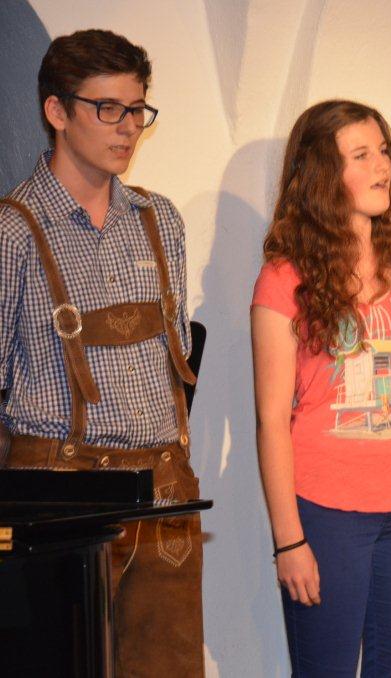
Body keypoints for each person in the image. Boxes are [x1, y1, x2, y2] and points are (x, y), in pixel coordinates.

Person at [0, 29, 204, 676]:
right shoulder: (11, 232)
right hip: (58, 497)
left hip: (164, 492)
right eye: (108, 108)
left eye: (137, 109)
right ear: (56, 111)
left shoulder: (160, 220)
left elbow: (177, 358)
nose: (128, 127)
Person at [251, 99, 391, 676]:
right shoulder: (285, 276)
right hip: (327, 510)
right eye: (361, 155)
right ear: (323, 175)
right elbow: (272, 418)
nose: (382, 165)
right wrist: (289, 541)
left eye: (383, 151)